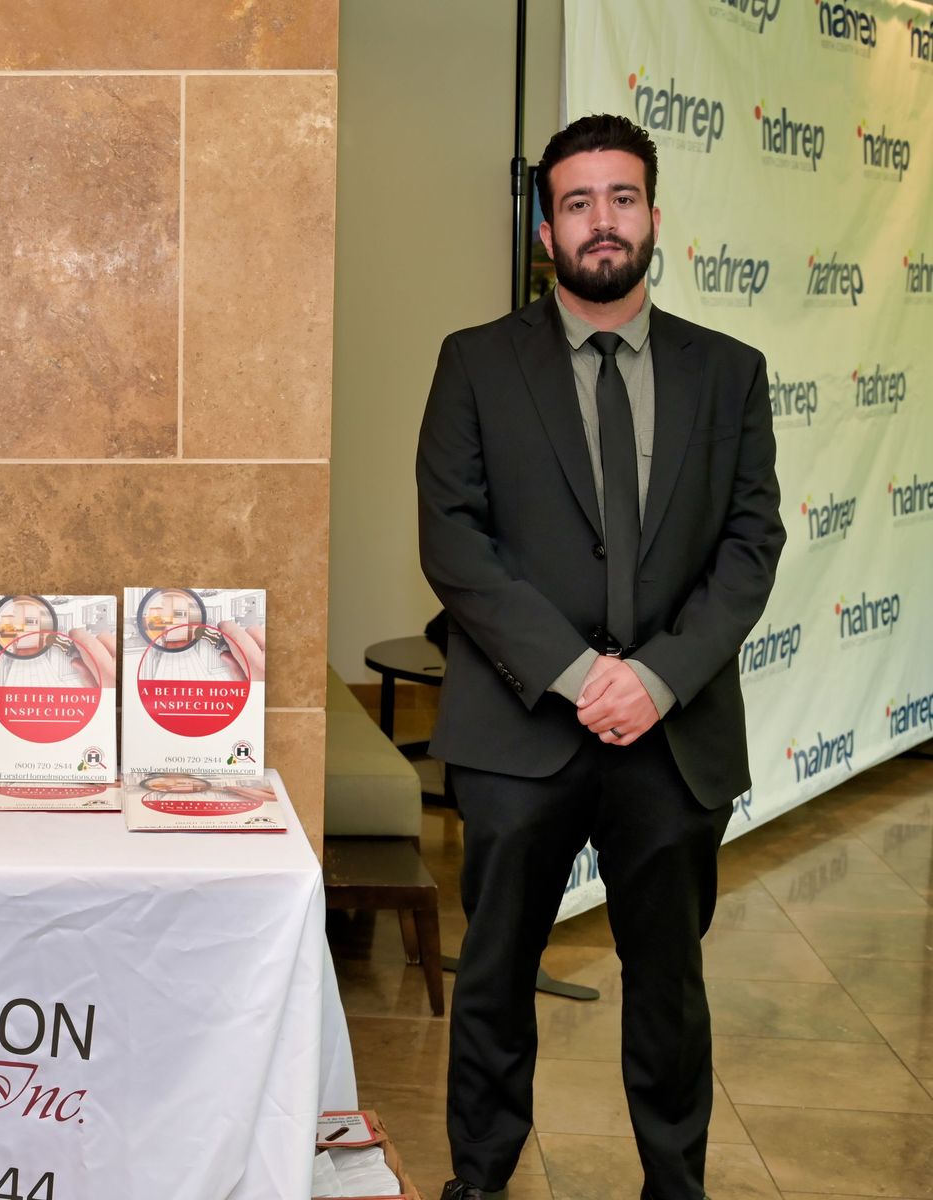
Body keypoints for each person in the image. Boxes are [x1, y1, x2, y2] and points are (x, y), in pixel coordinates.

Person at [415, 113, 784, 1200]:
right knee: (495, 977)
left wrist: (655, 680)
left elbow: (750, 546)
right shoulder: (475, 364)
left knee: (669, 988)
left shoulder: (730, 373)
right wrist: (584, 678)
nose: (602, 221)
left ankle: (676, 1186)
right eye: (577, 203)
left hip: (674, 741)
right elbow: (454, 541)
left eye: (622, 198)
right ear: (546, 231)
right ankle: (480, 1181)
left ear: (655, 216)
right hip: (519, 731)